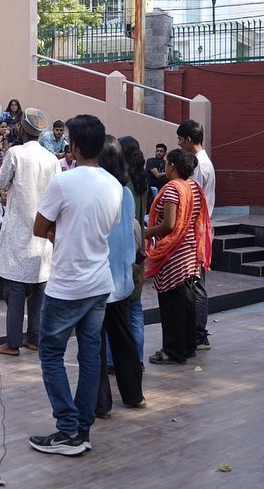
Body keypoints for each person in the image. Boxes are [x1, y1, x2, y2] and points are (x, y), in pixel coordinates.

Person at [29, 114, 122, 457]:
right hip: (99, 283)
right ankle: (81, 430)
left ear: (76, 146)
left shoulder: (63, 182)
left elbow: (40, 228)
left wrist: (60, 236)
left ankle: (68, 429)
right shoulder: (115, 186)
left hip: (67, 285)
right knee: (90, 357)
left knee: (50, 353)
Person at [0, 108, 61, 357]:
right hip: (44, 231)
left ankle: (12, 342)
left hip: (19, 229)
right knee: (40, 286)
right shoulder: (52, 159)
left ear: (21, 127)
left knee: (16, 287)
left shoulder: (15, 153)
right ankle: (34, 338)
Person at [143, 148, 212, 366]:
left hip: (174, 254)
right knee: (186, 301)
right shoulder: (193, 186)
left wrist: (144, 232)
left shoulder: (173, 189)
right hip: (190, 250)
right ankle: (188, 346)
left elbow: (169, 225)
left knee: (172, 304)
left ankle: (173, 351)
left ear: (171, 166)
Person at [94, 136, 145, 418]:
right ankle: (133, 394)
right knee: (122, 339)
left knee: (96, 342)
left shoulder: (100, 192)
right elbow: (128, 235)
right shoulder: (124, 192)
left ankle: (101, 403)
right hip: (122, 277)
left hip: (100, 278)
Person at [176, 119, 214, 351]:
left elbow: (193, 199)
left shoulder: (197, 165)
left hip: (196, 230)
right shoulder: (204, 161)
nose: (179, 144)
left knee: (195, 282)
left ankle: (199, 333)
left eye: (180, 139)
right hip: (200, 228)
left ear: (189, 140)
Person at [117, 136, 150, 365]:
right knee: (136, 309)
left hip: (126, 248)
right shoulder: (143, 181)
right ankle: (137, 358)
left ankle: (114, 359)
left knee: (119, 312)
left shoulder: (124, 184)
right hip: (140, 246)